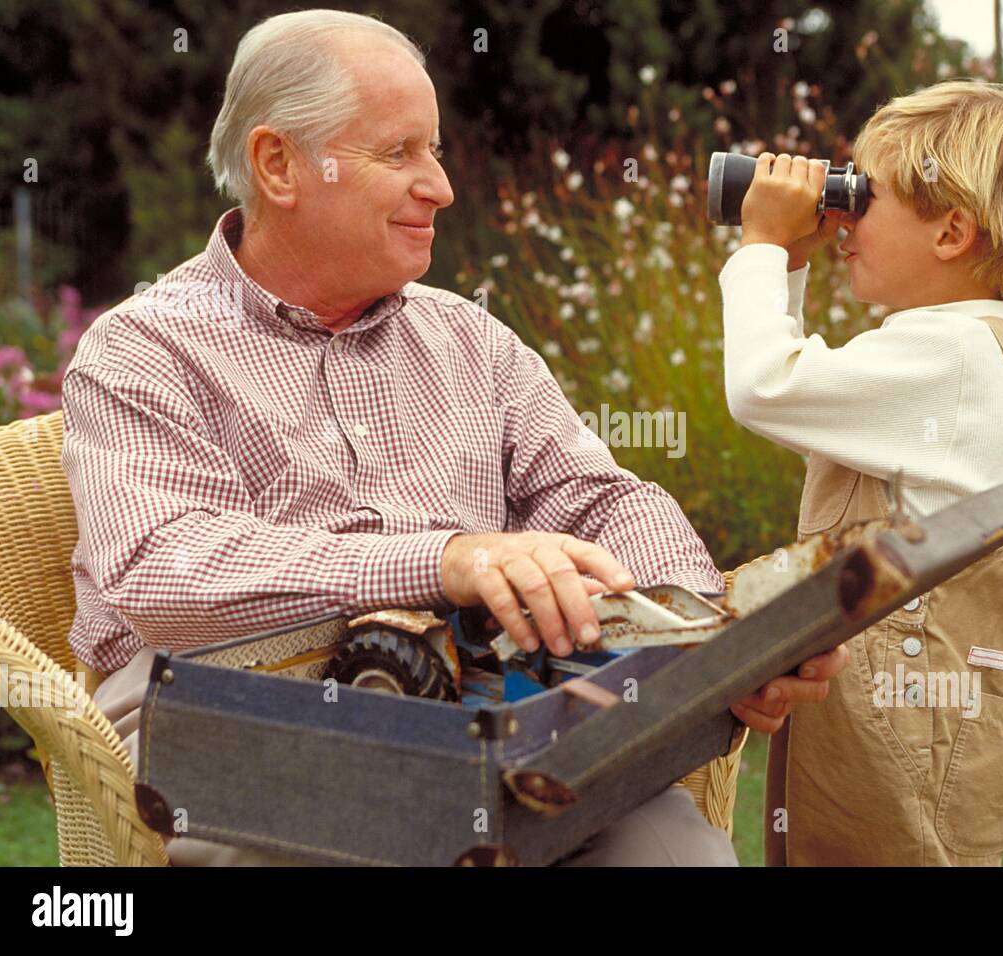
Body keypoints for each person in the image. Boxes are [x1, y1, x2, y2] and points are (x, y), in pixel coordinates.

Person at [63, 8, 847, 866]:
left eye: (432, 151)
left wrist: (712, 638)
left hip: (484, 706)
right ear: (278, 163)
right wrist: (446, 559)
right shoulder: (143, 347)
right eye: (399, 153)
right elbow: (164, 570)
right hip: (235, 717)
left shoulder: (472, 339)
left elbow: (599, 501)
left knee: (674, 855)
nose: (439, 185)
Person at [718, 80, 1003, 865]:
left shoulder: (949, 356)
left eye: (865, 195)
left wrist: (760, 248)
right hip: (908, 689)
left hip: (905, 699)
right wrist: (787, 257)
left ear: (953, 231)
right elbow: (800, 396)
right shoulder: (971, 342)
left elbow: (763, 386)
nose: (844, 214)